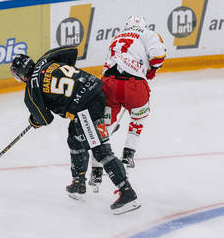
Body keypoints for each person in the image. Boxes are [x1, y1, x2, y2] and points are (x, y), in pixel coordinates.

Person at [10, 46, 141, 215]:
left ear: (20, 75)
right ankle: (78, 184)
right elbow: (72, 51)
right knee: (74, 137)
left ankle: (127, 193)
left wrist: (34, 120)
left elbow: (44, 119)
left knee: (100, 149)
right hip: (96, 89)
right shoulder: (47, 59)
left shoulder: (31, 91)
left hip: (85, 107)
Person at [88, 15, 166, 191]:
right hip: (134, 86)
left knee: (104, 127)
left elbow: (107, 66)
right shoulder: (148, 33)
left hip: (109, 85)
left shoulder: (117, 37)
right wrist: (152, 70)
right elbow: (158, 56)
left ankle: (96, 170)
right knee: (138, 118)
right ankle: (128, 153)